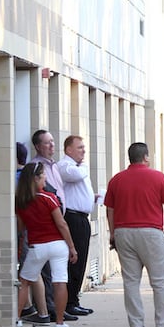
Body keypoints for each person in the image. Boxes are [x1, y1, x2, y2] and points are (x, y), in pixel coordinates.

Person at [105, 142, 164, 327]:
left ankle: (137, 325)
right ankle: (163, 324)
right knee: (160, 280)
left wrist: (112, 233)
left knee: (130, 281)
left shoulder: (117, 180)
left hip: (123, 233)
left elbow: (110, 210)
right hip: (151, 233)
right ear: (145, 157)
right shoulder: (158, 177)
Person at [15, 163, 78, 327]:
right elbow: (62, 224)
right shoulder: (48, 198)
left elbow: (21, 228)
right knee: (60, 281)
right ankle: (59, 322)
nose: (45, 179)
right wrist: (72, 247)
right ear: (36, 179)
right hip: (57, 244)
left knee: (24, 281)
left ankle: (17, 318)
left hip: (37, 246)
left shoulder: (20, 202)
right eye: (43, 176)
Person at [28, 129, 79, 322]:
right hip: (47, 226)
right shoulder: (36, 167)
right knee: (46, 272)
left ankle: (59, 308)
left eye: (53, 142)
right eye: (47, 143)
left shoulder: (54, 166)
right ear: (38, 146)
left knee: (59, 273)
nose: (52, 146)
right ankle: (49, 308)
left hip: (58, 223)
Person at [57, 135, 96, 317]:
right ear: (68, 150)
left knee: (81, 262)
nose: (83, 151)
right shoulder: (66, 166)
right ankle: (69, 302)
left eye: (83, 148)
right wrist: (84, 167)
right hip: (72, 219)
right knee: (74, 261)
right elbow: (76, 175)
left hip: (82, 218)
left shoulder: (79, 167)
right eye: (79, 148)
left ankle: (75, 299)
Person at [15, 142, 51, 326]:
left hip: (29, 236)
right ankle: (34, 309)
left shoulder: (19, 183)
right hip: (37, 235)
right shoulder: (28, 183)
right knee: (31, 273)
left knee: (28, 275)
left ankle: (25, 314)